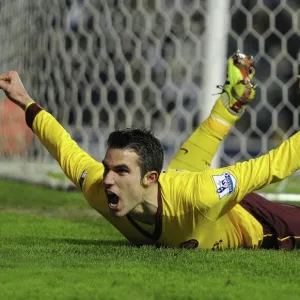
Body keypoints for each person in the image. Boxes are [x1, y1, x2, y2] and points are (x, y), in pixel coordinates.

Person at [1, 52, 300, 251]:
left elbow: (272, 165)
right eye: (108, 168)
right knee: (189, 166)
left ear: (150, 177)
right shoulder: (99, 189)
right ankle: (232, 101)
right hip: (184, 182)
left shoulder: (201, 195)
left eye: (121, 171)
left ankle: (231, 104)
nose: (107, 179)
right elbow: (64, 147)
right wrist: (26, 102)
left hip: (244, 216)